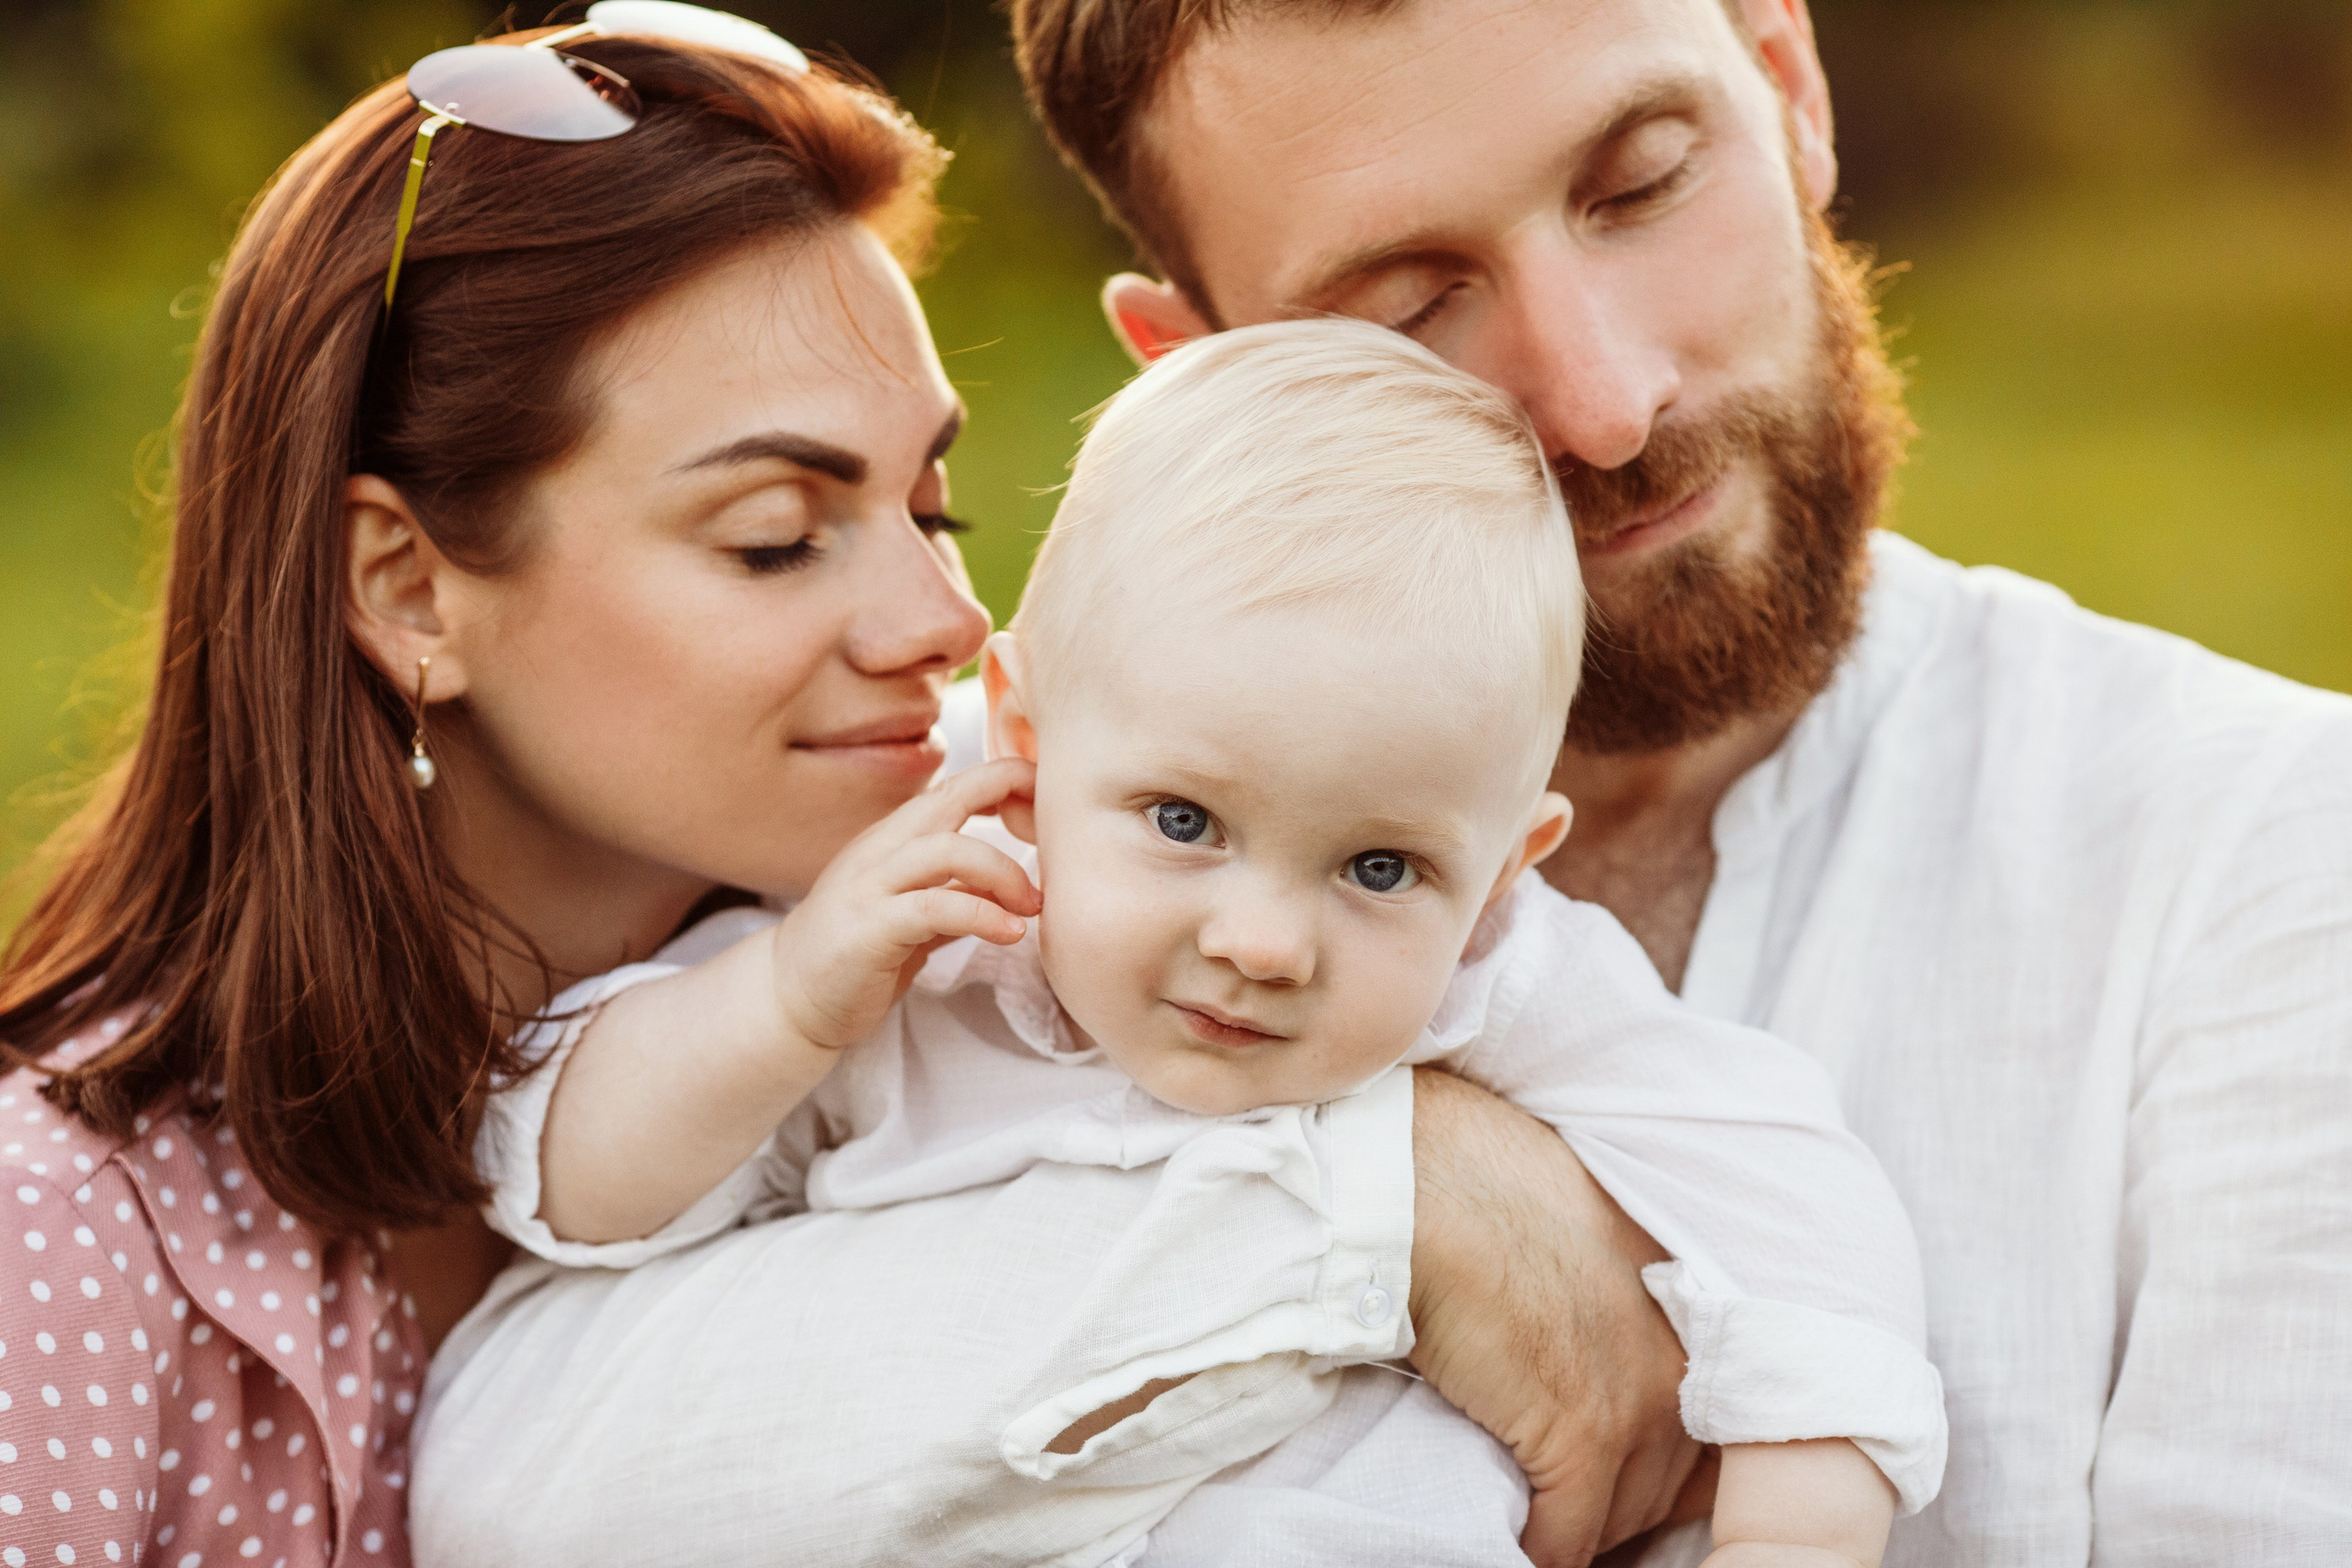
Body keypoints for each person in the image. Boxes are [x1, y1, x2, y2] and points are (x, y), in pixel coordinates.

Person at [0, 9, 1729, 1564]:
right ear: (406, 588)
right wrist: (1372, 1209)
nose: (945, 620)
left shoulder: (1000, 990)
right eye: (774, 539)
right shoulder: (56, 1246)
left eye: (932, 508)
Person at [1004, 0, 2352, 1562]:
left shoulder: (2275, 856)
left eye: (1642, 184)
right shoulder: (933, 849)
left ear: (1788, 84)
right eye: (1412, 303)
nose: (1604, 400)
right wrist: (1382, 1198)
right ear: (1204, 376)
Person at [413, 320, 1944, 1568]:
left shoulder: (1501, 981)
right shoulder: (929, 954)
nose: (1267, 941)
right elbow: (568, 1183)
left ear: (1501, 876)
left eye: (1380, 865)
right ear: (1023, 737)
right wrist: (790, 1001)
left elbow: (1785, 1182)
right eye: (1185, 824)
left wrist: (1801, 1524)